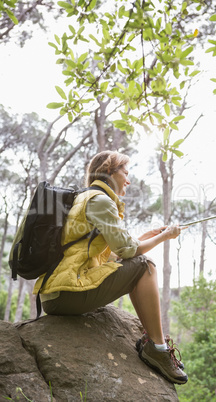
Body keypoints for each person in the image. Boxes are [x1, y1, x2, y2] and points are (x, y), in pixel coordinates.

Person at [33, 150, 188, 385]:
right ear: (108, 171)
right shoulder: (101, 201)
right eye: (126, 172)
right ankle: (157, 347)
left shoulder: (86, 198)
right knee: (145, 265)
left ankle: (153, 343)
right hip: (66, 294)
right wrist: (165, 237)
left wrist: (145, 237)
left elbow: (112, 254)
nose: (129, 179)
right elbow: (128, 252)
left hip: (57, 293)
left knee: (138, 262)